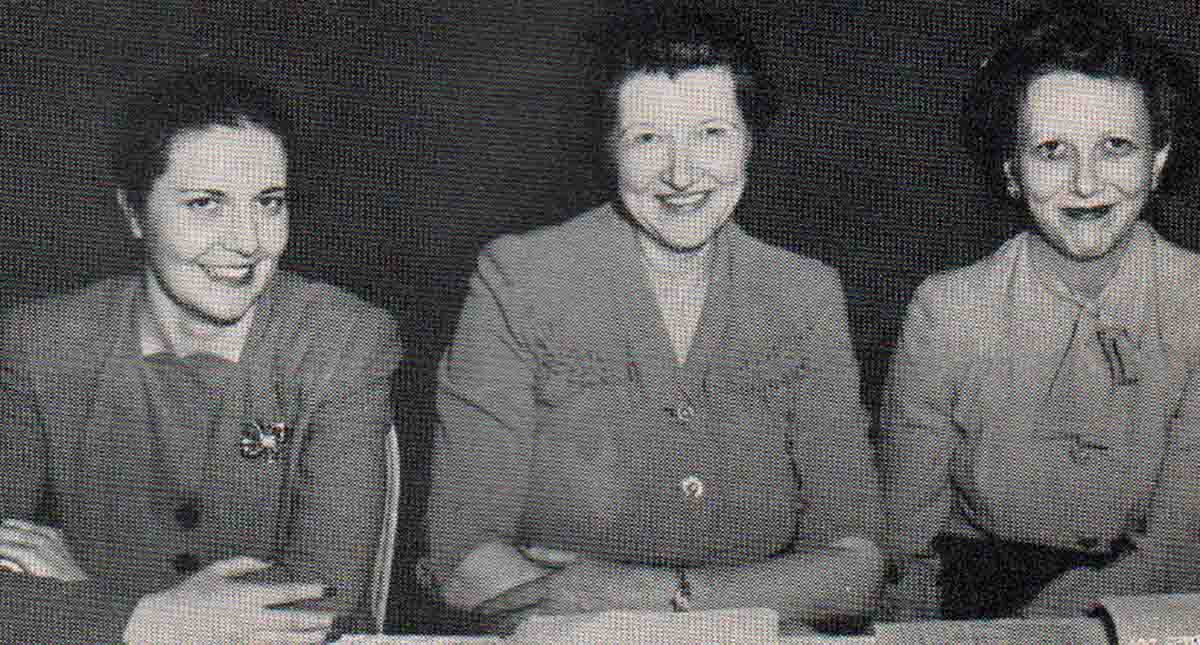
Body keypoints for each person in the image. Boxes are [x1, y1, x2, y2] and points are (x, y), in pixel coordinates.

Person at [423, 6, 882, 635]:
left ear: (751, 139)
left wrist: (651, 595)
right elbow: (463, 558)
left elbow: (855, 567)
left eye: (711, 133)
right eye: (648, 138)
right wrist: (757, 591)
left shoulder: (804, 293)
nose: (681, 173)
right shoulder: (521, 277)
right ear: (609, 148)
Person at [0, 65, 401, 642]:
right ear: (135, 214)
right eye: (205, 203)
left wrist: (92, 603)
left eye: (269, 202)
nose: (247, 241)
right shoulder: (42, 344)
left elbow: (325, 601)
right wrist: (144, 621)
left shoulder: (343, 342)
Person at [882, 1, 1200, 620]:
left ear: (1158, 160)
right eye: (1053, 150)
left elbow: (1182, 538)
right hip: (973, 601)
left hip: (1158, 600)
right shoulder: (947, 310)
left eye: (1116, 147)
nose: (1086, 183)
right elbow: (906, 540)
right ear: (1011, 169)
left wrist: (1069, 617)